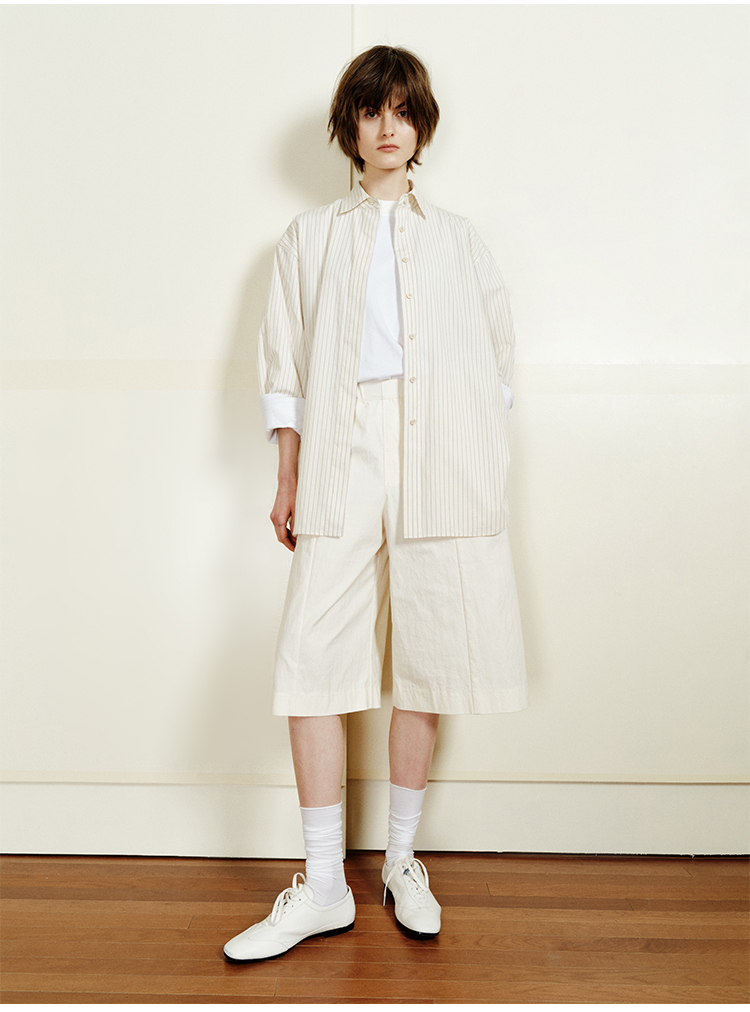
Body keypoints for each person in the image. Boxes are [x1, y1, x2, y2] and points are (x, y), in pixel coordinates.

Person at [224, 45, 528, 963]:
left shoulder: (460, 239)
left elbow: (497, 366)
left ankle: (400, 861)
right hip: (341, 447)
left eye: (402, 110)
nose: (387, 127)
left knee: (430, 652)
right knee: (312, 655)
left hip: (441, 450)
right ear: (350, 127)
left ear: (419, 125)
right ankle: (323, 884)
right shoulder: (309, 237)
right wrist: (288, 475)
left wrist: (476, 462)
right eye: (371, 110)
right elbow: (285, 366)